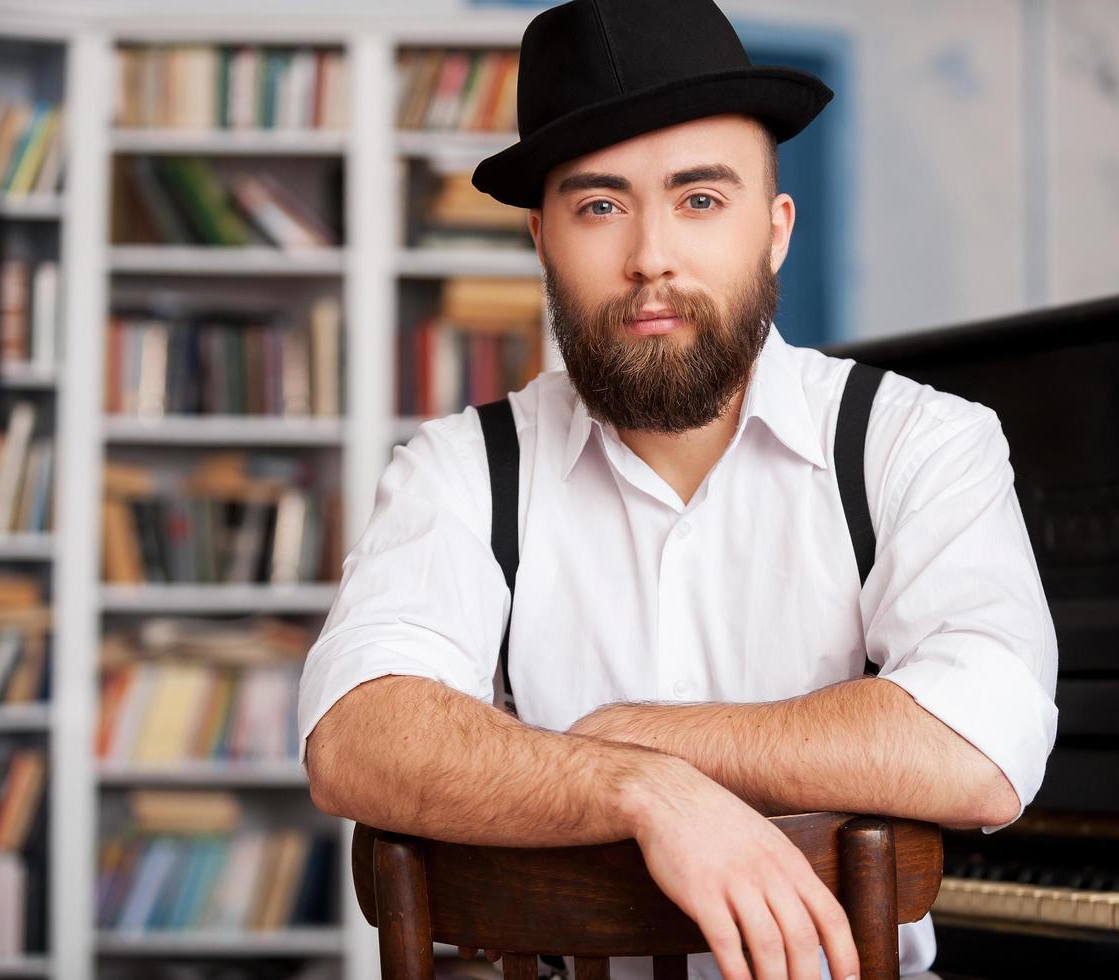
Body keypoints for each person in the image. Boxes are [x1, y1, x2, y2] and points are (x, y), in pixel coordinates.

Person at [297, 1, 1059, 979]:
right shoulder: (457, 470)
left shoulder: (921, 442)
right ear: (542, 238)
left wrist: (648, 731)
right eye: (600, 205)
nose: (651, 255)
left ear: (774, 230)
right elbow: (356, 735)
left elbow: (982, 745)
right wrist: (639, 786)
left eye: (700, 199)